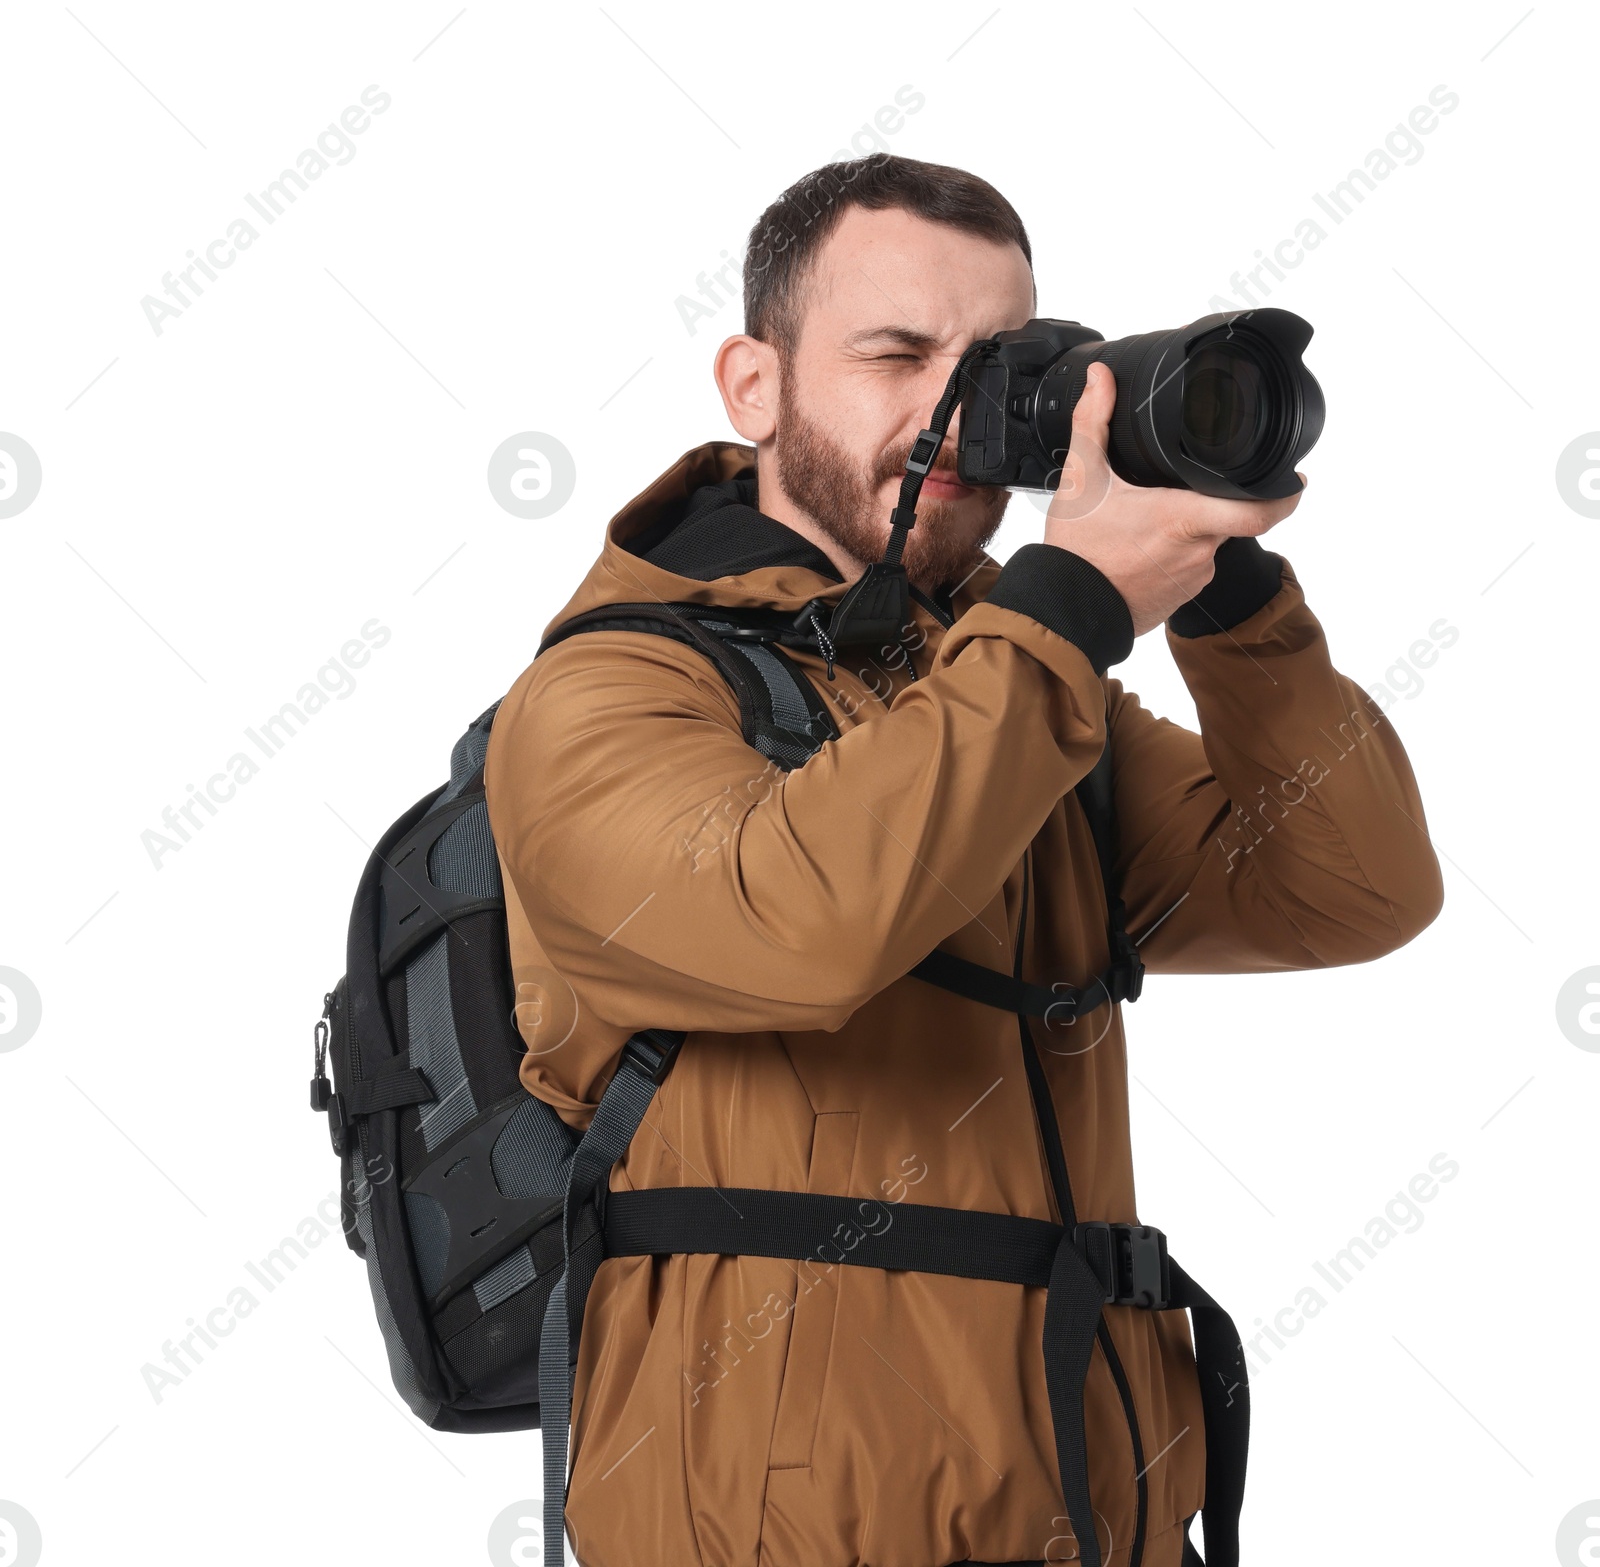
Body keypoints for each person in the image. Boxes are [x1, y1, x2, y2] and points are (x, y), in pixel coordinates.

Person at [483, 154, 1443, 1567]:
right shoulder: (605, 698)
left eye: (993, 367)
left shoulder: (1025, 692)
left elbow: (1349, 886)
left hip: (1095, 1519)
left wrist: (1225, 596)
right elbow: (802, 922)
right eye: (895, 355)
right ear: (753, 386)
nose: (950, 411)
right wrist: (1064, 610)